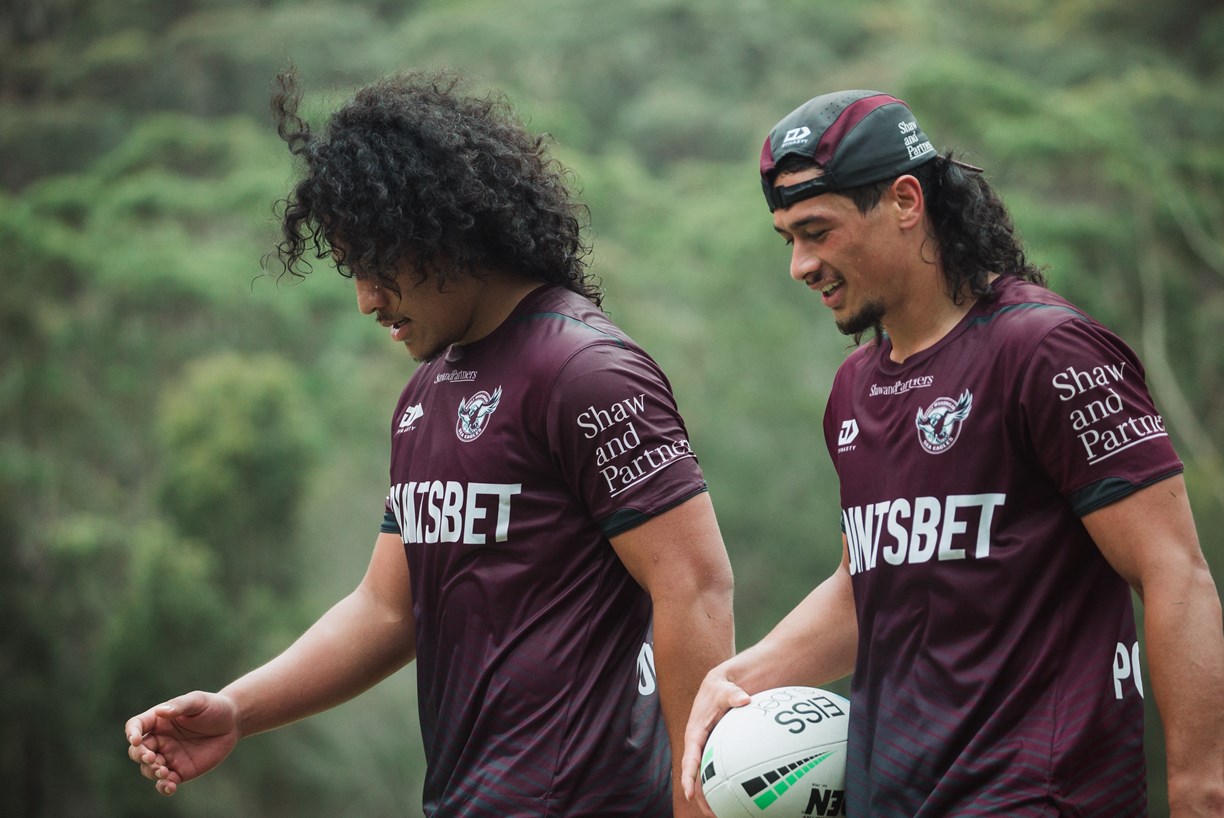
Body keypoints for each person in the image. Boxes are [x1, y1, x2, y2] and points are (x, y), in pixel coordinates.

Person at [125, 68, 736, 818]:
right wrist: (238, 709)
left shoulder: (584, 371)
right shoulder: (425, 395)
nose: (366, 299)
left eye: (379, 266)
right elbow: (388, 609)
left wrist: (695, 800)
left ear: (444, 232)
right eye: (353, 271)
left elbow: (695, 587)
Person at [681, 90, 1224, 816]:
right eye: (790, 240)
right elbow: (867, 587)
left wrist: (1200, 792)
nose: (801, 265)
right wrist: (740, 677)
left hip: (1040, 796)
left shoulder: (1046, 351)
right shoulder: (854, 389)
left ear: (906, 201)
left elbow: (1174, 572)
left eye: (817, 231)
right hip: (896, 797)